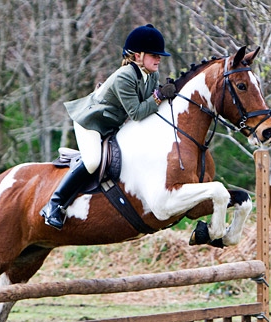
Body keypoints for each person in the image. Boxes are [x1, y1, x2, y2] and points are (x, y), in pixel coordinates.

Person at [40, 24, 177, 230]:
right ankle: (54, 204)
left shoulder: (152, 75)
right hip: (91, 122)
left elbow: (148, 107)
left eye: (159, 55)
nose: (158, 59)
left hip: (112, 124)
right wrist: (158, 97)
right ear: (137, 56)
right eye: (153, 54)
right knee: (93, 162)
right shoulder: (125, 76)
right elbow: (138, 113)